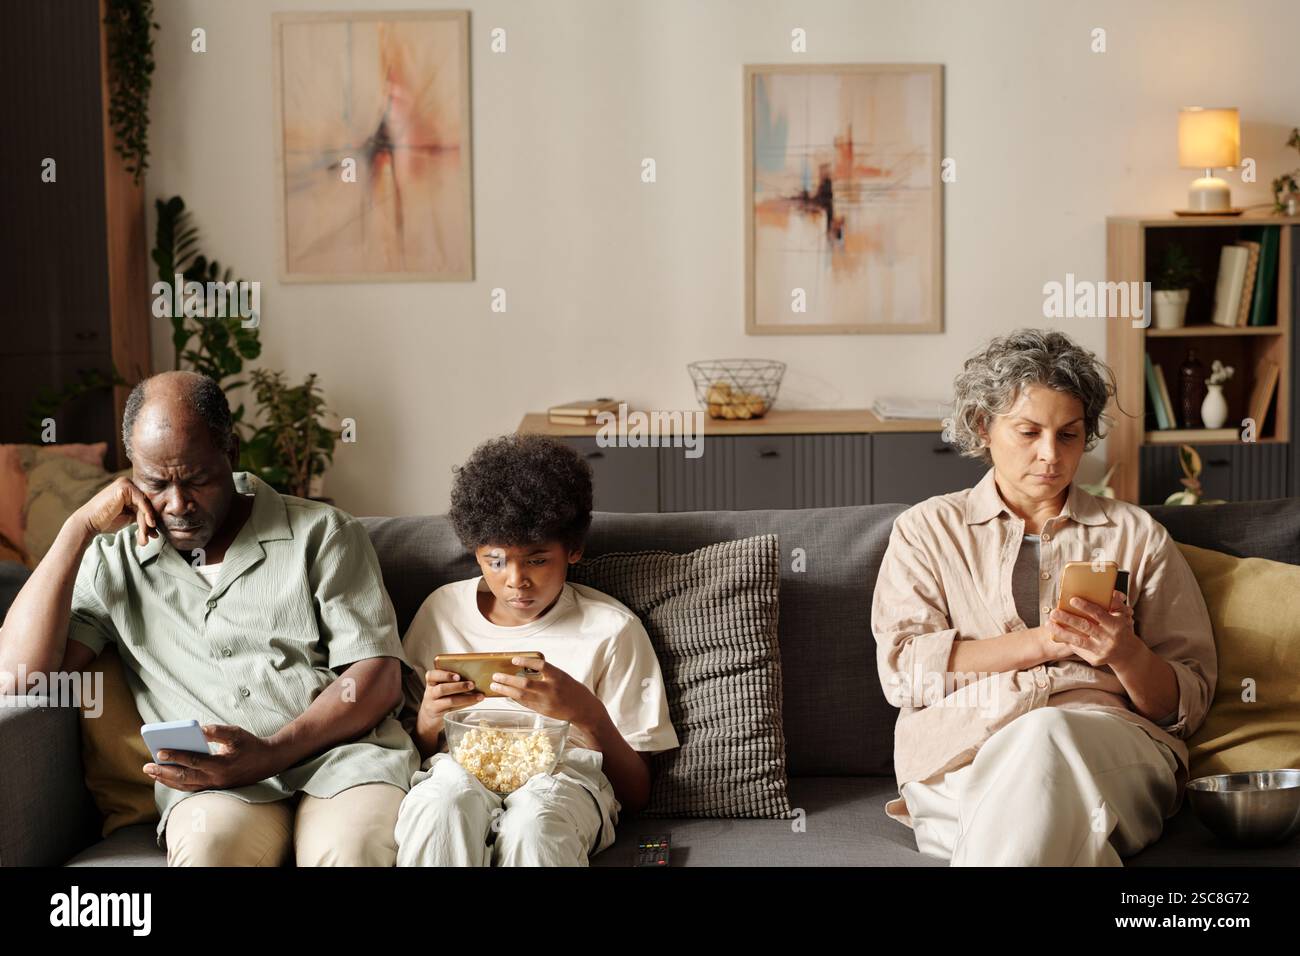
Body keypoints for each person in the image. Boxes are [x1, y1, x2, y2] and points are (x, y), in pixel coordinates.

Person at [0, 371, 419, 866]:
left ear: (232, 454)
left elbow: (376, 676)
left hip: (345, 761)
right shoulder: (112, 562)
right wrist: (78, 528)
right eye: (155, 482)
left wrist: (272, 751)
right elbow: (20, 678)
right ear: (131, 470)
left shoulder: (323, 532)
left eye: (197, 479)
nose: (178, 505)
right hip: (214, 785)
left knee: (349, 851)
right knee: (208, 853)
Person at [872, 328, 1217, 866]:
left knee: (1047, 734)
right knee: (1055, 821)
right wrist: (1046, 642)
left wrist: (1123, 653)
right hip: (960, 760)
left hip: (1105, 746)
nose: (1050, 456)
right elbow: (904, 672)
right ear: (984, 427)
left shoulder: (1136, 535)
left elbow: (1187, 703)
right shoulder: (926, 530)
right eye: (1028, 432)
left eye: (1069, 435)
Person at [394, 434, 678, 866]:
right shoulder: (442, 612)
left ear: (574, 549)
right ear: (475, 551)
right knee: (441, 806)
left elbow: (637, 794)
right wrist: (429, 722)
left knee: (534, 821)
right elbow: (407, 750)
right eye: (495, 560)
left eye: (537, 559)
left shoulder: (612, 630)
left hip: (564, 781)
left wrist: (585, 711)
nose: (515, 580)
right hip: (459, 773)